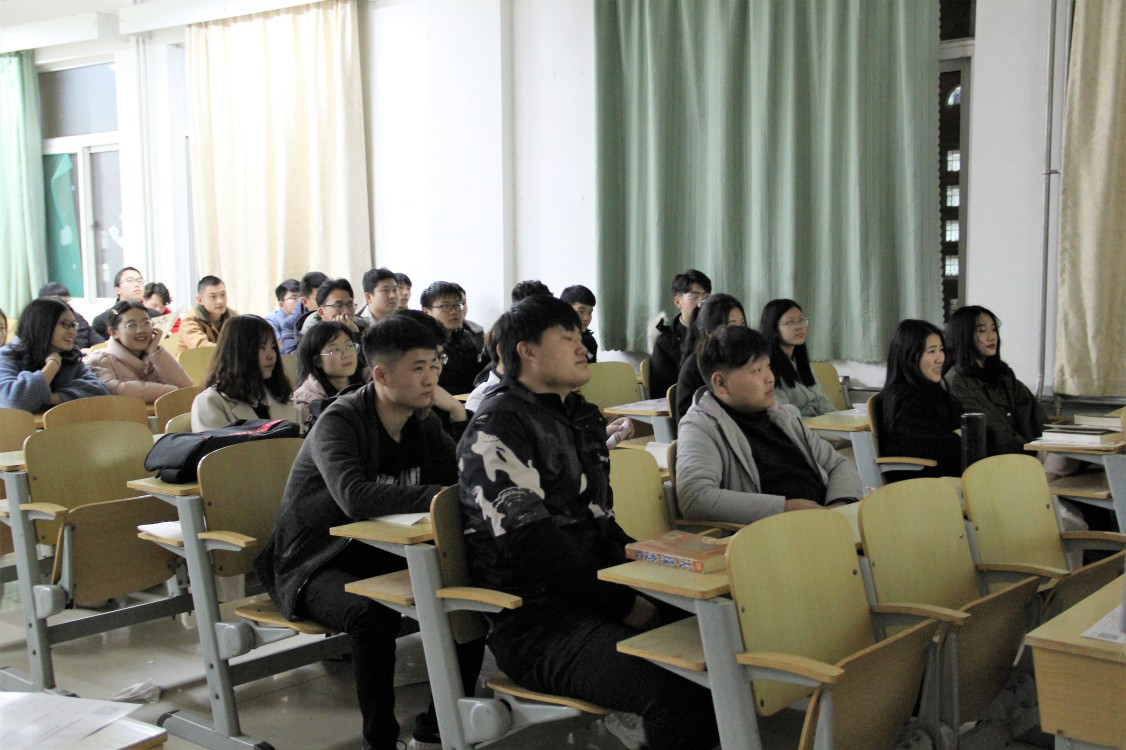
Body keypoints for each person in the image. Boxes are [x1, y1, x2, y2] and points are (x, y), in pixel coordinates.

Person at [458, 295, 719, 750]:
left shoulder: (578, 414)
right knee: (678, 688)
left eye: (580, 336)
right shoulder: (498, 425)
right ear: (527, 351)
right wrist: (622, 602)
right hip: (537, 619)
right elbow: (532, 544)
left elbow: (600, 522)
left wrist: (661, 570)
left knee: (720, 633)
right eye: (567, 338)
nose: (583, 347)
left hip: (595, 591)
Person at [254, 316, 480, 750]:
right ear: (381, 374)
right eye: (418, 368)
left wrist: (458, 424)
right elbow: (354, 497)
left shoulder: (422, 420)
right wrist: (440, 496)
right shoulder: (340, 421)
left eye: (435, 365)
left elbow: (460, 478)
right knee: (370, 615)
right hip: (315, 561)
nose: (431, 378)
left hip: (379, 551)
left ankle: (439, 726)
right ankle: (380, 741)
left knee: (466, 588)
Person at [676, 326, 861, 524]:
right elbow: (695, 498)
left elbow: (837, 463)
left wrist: (838, 506)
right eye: (757, 370)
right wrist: (785, 509)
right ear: (721, 383)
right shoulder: (700, 426)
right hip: (772, 533)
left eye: (768, 366)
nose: (770, 378)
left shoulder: (782, 414)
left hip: (824, 522)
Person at [876, 319, 964, 481]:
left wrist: (959, 435)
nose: (940, 358)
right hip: (922, 484)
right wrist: (959, 436)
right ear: (910, 357)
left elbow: (972, 427)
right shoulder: (903, 401)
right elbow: (936, 450)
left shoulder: (934, 391)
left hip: (948, 477)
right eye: (931, 351)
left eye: (941, 350)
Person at [0, 298, 110, 412]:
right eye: (65, 325)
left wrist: (52, 398)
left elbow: (101, 392)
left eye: (74, 325)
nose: (73, 332)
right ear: (42, 325)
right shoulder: (7, 355)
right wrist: (52, 365)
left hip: (62, 423)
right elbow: (15, 401)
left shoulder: (69, 356)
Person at [191, 315, 295, 431]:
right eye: (261, 347)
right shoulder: (209, 402)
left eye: (273, 347)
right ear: (238, 352)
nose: (271, 356)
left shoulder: (278, 395)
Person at [86, 301, 192, 402]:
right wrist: (172, 391)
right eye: (132, 325)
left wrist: (155, 351)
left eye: (146, 323)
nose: (141, 330)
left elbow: (186, 388)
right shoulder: (100, 361)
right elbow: (115, 389)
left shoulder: (155, 356)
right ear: (114, 332)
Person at [673, 293, 746, 421]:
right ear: (708, 332)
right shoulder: (694, 367)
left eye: (742, 324)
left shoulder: (748, 357)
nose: (741, 332)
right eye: (732, 326)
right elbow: (687, 420)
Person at [759, 299, 836, 417]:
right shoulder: (769, 368)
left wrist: (838, 418)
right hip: (799, 426)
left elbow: (823, 400)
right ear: (774, 330)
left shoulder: (801, 363)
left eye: (801, 320)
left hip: (822, 423)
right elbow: (782, 415)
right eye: (790, 322)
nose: (799, 327)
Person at [647, 269, 711, 402]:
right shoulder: (665, 343)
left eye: (706, 297)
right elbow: (663, 394)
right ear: (677, 302)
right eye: (694, 296)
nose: (702, 302)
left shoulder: (717, 333)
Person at [292, 320, 365, 430]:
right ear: (317, 361)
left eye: (349, 345)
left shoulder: (369, 381)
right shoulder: (306, 403)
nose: (346, 354)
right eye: (335, 349)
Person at [421, 281, 487, 395]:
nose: (454, 311)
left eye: (457, 305)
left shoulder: (467, 337)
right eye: (445, 306)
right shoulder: (422, 344)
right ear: (426, 312)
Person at [91, 267, 161, 338]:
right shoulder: (102, 320)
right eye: (130, 280)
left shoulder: (155, 315)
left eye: (140, 281)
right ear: (117, 290)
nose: (137, 284)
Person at [38, 282, 104, 350]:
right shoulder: (40, 325)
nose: (65, 305)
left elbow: (97, 340)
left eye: (67, 301)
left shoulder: (77, 318)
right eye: (60, 301)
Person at [179, 276, 237, 350]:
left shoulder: (233, 316)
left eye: (223, 295)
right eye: (213, 297)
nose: (220, 301)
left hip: (224, 357)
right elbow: (202, 348)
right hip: (198, 357)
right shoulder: (190, 321)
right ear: (200, 300)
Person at [281, 271, 327, 354]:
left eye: (328, 298)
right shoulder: (291, 325)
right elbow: (293, 356)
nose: (326, 304)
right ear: (305, 302)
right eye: (320, 299)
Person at [560, 285, 598, 362]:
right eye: (581, 311)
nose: (586, 318)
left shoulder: (590, 342)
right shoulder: (555, 343)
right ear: (565, 311)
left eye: (589, 312)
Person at [265, 279, 300, 343]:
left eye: (301, 297)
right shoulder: (272, 321)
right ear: (282, 304)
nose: (300, 301)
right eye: (294, 298)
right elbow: (278, 346)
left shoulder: (306, 318)